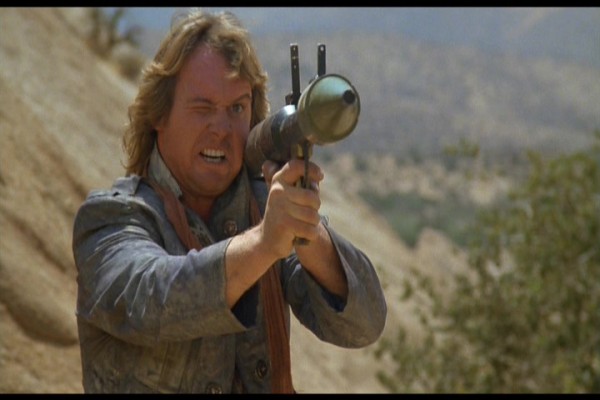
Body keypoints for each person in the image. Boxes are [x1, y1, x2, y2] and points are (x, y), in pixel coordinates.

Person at [72, 8, 387, 394]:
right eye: (202, 108)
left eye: (237, 108)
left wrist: (307, 231)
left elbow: (364, 324)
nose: (221, 130)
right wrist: (264, 244)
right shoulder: (111, 219)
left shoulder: (262, 207)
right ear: (159, 115)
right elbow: (152, 300)